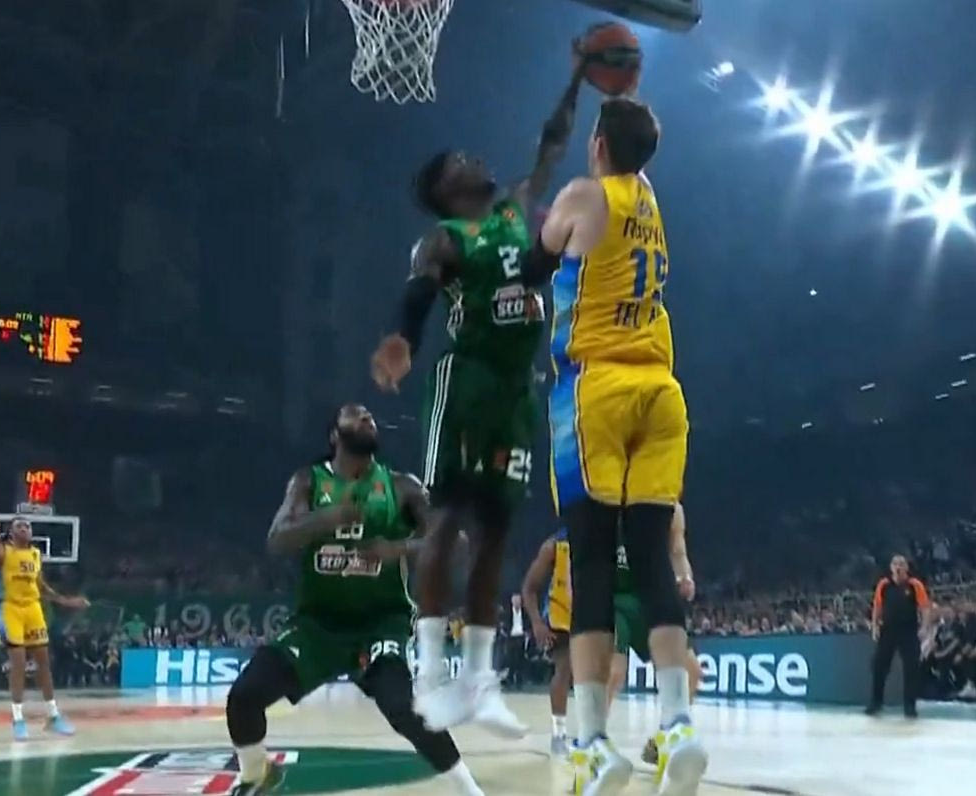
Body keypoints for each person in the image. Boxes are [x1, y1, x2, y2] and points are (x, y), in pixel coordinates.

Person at [369, 62, 585, 737]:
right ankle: (431, 675)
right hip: (465, 383)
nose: (477, 159)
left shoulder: (517, 207)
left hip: (518, 391)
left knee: (495, 531)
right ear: (444, 189)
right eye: (461, 160)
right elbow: (419, 290)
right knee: (446, 520)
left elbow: (552, 144)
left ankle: (479, 680)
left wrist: (578, 74)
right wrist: (402, 339)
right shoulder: (445, 238)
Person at [525, 96, 707, 795]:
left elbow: (533, 262)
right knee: (653, 558)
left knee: (594, 562)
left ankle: (594, 743)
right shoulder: (649, 201)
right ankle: (678, 724)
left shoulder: (584, 195)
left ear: (597, 144)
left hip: (595, 389)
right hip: (661, 390)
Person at [223, 404, 483, 796]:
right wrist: (326, 519)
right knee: (244, 697)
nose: (366, 418)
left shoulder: (401, 486)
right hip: (317, 625)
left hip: (380, 623)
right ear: (334, 434)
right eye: (355, 414)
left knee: (403, 708)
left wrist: (398, 549)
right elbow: (276, 541)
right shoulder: (308, 482)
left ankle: (471, 791)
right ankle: (255, 776)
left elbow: (456, 545)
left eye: (370, 417)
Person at [604, 503, 703, 772]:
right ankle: (593, 741)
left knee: (692, 671)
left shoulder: (672, 508)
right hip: (616, 596)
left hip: (650, 595)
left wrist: (685, 576)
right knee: (614, 672)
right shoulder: (612, 497)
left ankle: (662, 739)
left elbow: (678, 552)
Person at [0, 517, 89, 740]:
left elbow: (40, 586)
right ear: (11, 532)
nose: (25, 529)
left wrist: (66, 601)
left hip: (32, 608)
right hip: (9, 608)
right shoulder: (1, 552)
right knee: (19, 662)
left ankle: (53, 716)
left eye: (28, 526)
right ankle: (18, 718)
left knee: (43, 662)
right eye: (19, 526)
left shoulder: (35, 554)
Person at [521, 527, 574, 757]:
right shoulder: (553, 545)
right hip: (560, 614)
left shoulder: (604, 539)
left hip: (591, 610)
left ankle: (593, 734)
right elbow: (529, 588)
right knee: (565, 669)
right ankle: (558, 735)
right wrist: (537, 623)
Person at [866, 554, 930, 718]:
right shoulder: (884, 585)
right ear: (891, 567)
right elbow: (877, 607)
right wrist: (875, 626)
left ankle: (910, 706)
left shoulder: (915, 585)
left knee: (911, 667)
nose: (898, 567)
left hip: (908, 631)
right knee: (879, 666)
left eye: (901, 564)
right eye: (895, 564)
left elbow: (924, 608)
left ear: (907, 567)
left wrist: (924, 627)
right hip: (888, 630)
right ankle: (876, 702)